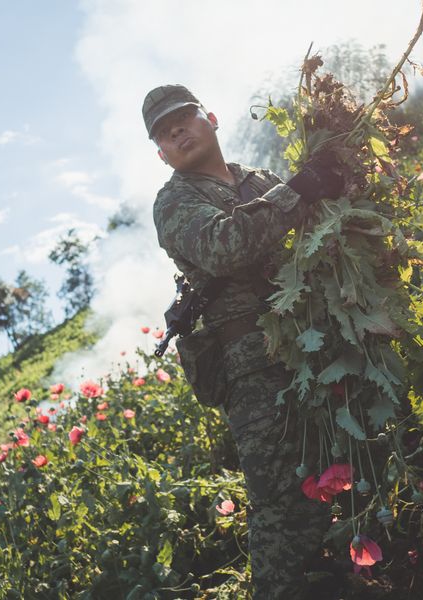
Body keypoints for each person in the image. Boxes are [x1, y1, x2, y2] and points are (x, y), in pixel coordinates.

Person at [144, 84, 345, 599]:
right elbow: (224, 246)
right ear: (161, 153)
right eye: (164, 134)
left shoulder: (261, 180)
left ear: (210, 118)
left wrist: (337, 174)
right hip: (255, 366)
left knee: (346, 466)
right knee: (283, 504)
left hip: (319, 340)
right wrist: (298, 190)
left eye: (183, 119)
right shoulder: (174, 201)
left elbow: (318, 228)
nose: (177, 133)